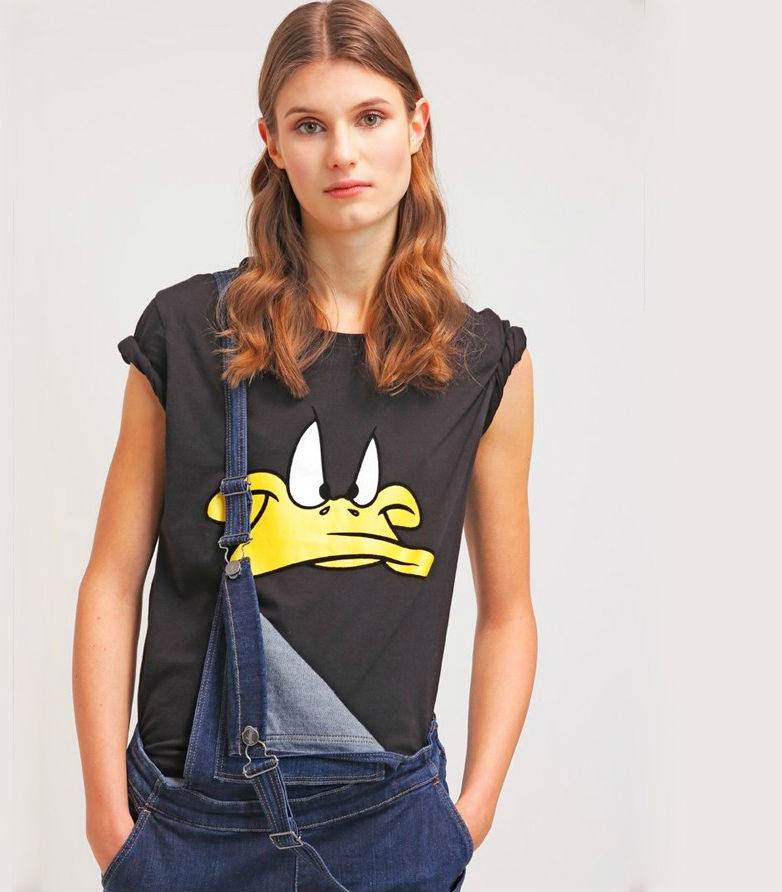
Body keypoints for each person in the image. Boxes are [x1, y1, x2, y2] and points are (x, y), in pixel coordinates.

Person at [72, 1, 535, 889]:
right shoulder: (188, 331)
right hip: (189, 827)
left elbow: (508, 611)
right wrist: (107, 820)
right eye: (310, 125)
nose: (343, 153)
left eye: (370, 118)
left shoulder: (485, 364)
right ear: (273, 144)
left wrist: (468, 815)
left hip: (394, 826)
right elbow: (111, 578)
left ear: (417, 125)